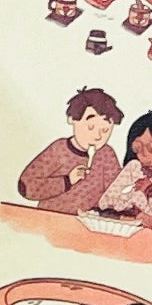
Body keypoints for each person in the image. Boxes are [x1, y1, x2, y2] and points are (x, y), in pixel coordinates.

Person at [16, 86, 123, 215]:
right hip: (51, 217)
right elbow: (26, 186)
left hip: (88, 222)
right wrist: (67, 181)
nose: (98, 136)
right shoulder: (59, 150)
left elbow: (115, 192)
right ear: (72, 120)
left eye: (105, 130)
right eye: (90, 127)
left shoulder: (106, 154)